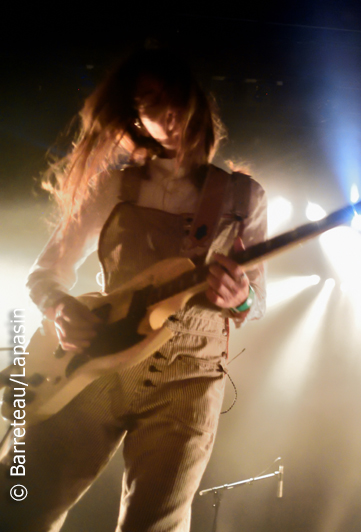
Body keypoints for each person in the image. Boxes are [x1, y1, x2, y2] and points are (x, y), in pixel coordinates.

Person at [0, 48, 267, 531]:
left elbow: (257, 301)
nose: (167, 111)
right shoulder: (113, 189)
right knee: (19, 504)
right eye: (150, 101)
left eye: (174, 96)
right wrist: (61, 308)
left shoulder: (244, 196)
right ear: (135, 119)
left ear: (195, 99)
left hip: (189, 379)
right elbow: (44, 273)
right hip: (99, 362)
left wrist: (240, 297)